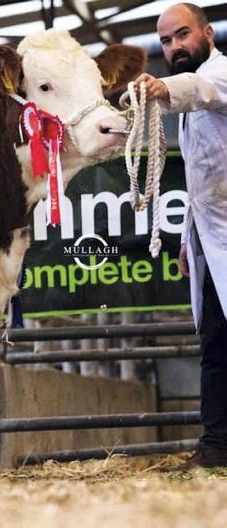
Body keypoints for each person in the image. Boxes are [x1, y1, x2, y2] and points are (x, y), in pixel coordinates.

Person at [133, 3, 227, 469]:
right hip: (212, 240)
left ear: (208, 34)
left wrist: (163, 87)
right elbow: (200, 180)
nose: (175, 47)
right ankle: (216, 445)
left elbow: (200, 89)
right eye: (166, 42)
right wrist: (190, 240)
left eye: (183, 35)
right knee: (215, 344)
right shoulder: (190, 102)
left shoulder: (221, 75)